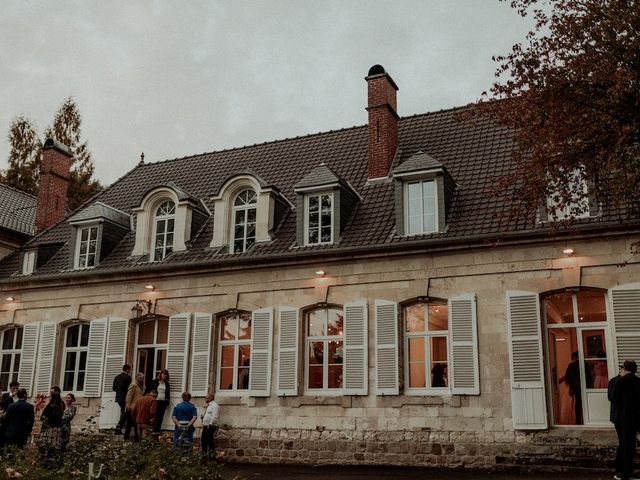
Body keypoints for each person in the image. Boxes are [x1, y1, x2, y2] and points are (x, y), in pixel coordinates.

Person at [608, 360, 640, 480]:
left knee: (625, 443)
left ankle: (622, 471)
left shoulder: (617, 381)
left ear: (624, 369)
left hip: (622, 417)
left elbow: (612, 398)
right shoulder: (638, 381)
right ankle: (625, 471)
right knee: (628, 444)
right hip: (634, 417)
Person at [38, 390, 65, 465]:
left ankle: (47, 462)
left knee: (48, 445)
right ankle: (56, 461)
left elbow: (43, 417)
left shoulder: (50, 405)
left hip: (50, 428)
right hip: (58, 428)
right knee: (56, 444)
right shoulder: (62, 404)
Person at [561, 351, 583, 425]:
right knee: (580, 403)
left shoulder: (571, 365)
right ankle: (582, 419)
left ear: (574, 357)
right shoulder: (585, 364)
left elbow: (567, 377)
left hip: (574, 386)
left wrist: (571, 386)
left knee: (575, 404)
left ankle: (578, 420)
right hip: (582, 386)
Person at [124, 373, 144, 441]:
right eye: (141, 378)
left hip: (136, 408)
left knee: (135, 424)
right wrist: (128, 406)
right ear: (138, 378)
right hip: (131, 407)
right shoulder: (133, 385)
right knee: (129, 424)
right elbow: (129, 396)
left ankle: (136, 439)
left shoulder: (138, 386)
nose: (143, 380)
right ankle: (126, 439)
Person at [112, 364, 132, 434]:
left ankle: (119, 428)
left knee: (123, 411)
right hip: (125, 397)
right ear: (127, 370)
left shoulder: (116, 377)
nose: (130, 371)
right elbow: (129, 389)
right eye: (129, 370)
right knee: (125, 412)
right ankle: (119, 425)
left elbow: (114, 388)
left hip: (118, 397)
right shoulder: (128, 377)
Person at [201, 393, 220, 457]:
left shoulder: (214, 405)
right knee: (203, 441)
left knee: (209, 441)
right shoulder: (209, 405)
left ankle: (212, 457)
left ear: (210, 398)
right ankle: (204, 455)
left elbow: (215, 416)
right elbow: (209, 415)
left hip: (210, 426)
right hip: (206, 425)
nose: (205, 399)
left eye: (206, 398)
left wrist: (210, 424)